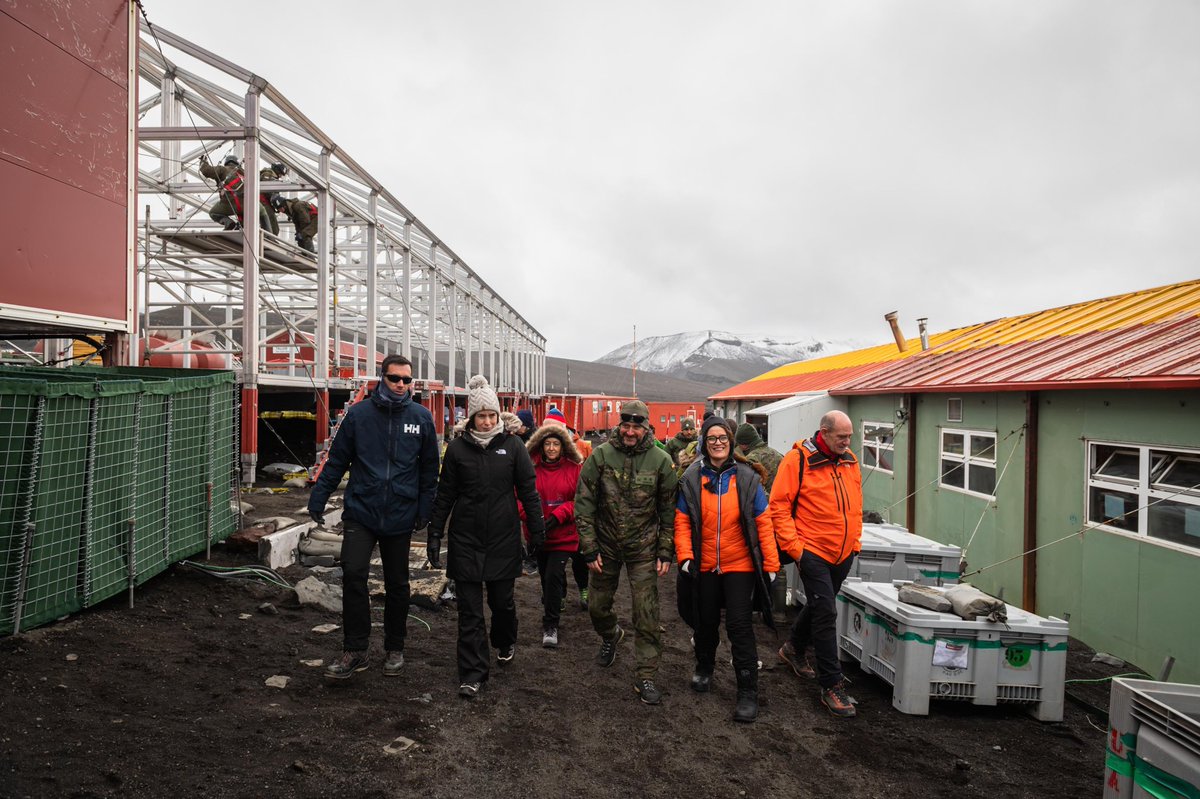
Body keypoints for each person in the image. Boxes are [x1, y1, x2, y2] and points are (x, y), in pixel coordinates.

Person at [307, 354, 440, 680]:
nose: (401, 385)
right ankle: (355, 649)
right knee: (353, 574)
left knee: (398, 583)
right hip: (362, 513)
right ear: (383, 378)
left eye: (407, 380)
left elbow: (428, 470)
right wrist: (318, 497)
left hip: (400, 514)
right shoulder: (358, 416)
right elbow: (337, 460)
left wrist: (425, 511)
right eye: (395, 378)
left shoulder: (421, 418)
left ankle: (395, 647)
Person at [428, 375, 545, 699]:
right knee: (469, 612)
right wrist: (435, 533)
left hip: (503, 539)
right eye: (482, 415)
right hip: (465, 539)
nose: (488, 420)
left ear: (498, 415)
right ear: (472, 417)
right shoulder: (457, 450)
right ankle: (472, 673)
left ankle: (505, 640)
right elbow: (446, 494)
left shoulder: (513, 446)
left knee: (502, 604)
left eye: (492, 415)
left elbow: (528, 492)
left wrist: (537, 531)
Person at [674, 416, 779, 722]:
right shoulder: (692, 477)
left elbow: (763, 522)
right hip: (705, 564)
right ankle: (704, 667)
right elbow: (681, 521)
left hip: (739, 565)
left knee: (739, 625)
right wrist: (685, 556)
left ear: (731, 442)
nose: (717, 443)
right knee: (705, 622)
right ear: (704, 443)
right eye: (711, 438)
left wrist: (771, 564)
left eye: (722, 438)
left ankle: (747, 691)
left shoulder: (747, 478)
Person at [574, 399, 678, 705]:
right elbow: (583, 503)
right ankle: (610, 634)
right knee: (596, 606)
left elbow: (669, 511)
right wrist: (589, 546)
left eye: (637, 426)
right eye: (626, 425)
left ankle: (645, 675)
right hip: (604, 545)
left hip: (643, 548)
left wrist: (665, 550)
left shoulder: (661, 461)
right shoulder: (601, 456)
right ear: (620, 425)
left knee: (646, 613)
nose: (630, 432)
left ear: (646, 427)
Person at [770, 410, 863, 718]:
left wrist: (856, 542)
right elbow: (779, 506)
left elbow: (857, 504)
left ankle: (793, 649)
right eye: (841, 437)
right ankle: (832, 685)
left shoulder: (849, 461)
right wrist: (796, 549)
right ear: (823, 432)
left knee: (820, 604)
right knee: (826, 611)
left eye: (850, 436)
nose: (847, 442)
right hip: (813, 551)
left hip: (843, 552)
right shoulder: (797, 461)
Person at [523, 422, 584, 648]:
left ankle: (551, 625)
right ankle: (552, 607)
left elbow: (580, 500)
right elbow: (518, 497)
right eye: (547, 443)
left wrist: (560, 514)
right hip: (537, 534)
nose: (551, 448)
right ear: (540, 445)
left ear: (563, 446)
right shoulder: (530, 468)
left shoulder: (574, 468)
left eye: (555, 444)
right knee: (544, 578)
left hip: (564, 533)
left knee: (553, 576)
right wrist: (532, 517)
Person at [541, 408, 591, 608]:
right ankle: (558, 594)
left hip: (574, 516)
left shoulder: (581, 447)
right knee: (554, 564)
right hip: (550, 519)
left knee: (579, 558)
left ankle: (584, 588)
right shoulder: (538, 454)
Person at [198, 154, 272, 232]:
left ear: (226, 163)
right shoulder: (245, 173)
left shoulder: (223, 170)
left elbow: (206, 171)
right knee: (262, 211)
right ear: (237, 163)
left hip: (230, 204)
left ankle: (229, 223)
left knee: (213, 212)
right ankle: (269, 236)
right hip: (248, 204)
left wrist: (203, 161)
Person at [734, 423, 785, 492]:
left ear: (744, 445)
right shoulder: (776, 453)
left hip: (766, 501)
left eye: (739, 444)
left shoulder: (751, 459)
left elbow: (752, 488)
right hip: (783, 499)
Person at [257, 161, 287, 235]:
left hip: (263, 202)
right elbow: (267, 190)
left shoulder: (269, 176)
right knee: (273, 226)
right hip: (263, 202)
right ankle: (270, 239)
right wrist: (275, 197)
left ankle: (268, 238)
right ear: (276, 170)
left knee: (270, 224)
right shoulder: (267, 174)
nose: (280, 176)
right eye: (280, 173)